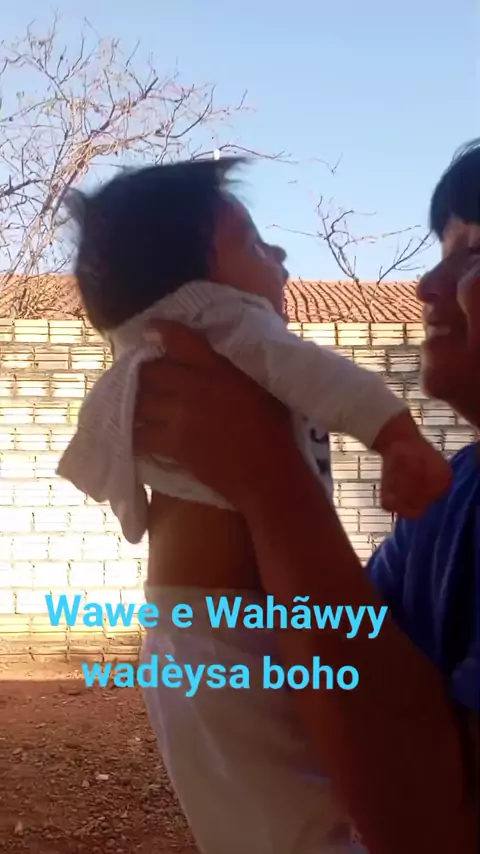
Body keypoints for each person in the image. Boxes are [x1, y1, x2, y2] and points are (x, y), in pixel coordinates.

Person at [56, 159, 453, 853]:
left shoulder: (150, 350)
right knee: (285, 789)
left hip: (183, 624)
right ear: (200, 279)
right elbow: (328, 379)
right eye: (255, 243)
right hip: (235, 622)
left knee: (241, 793)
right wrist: (399, 438)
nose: (280, 255)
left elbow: (105, 459)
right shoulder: (225, 321)